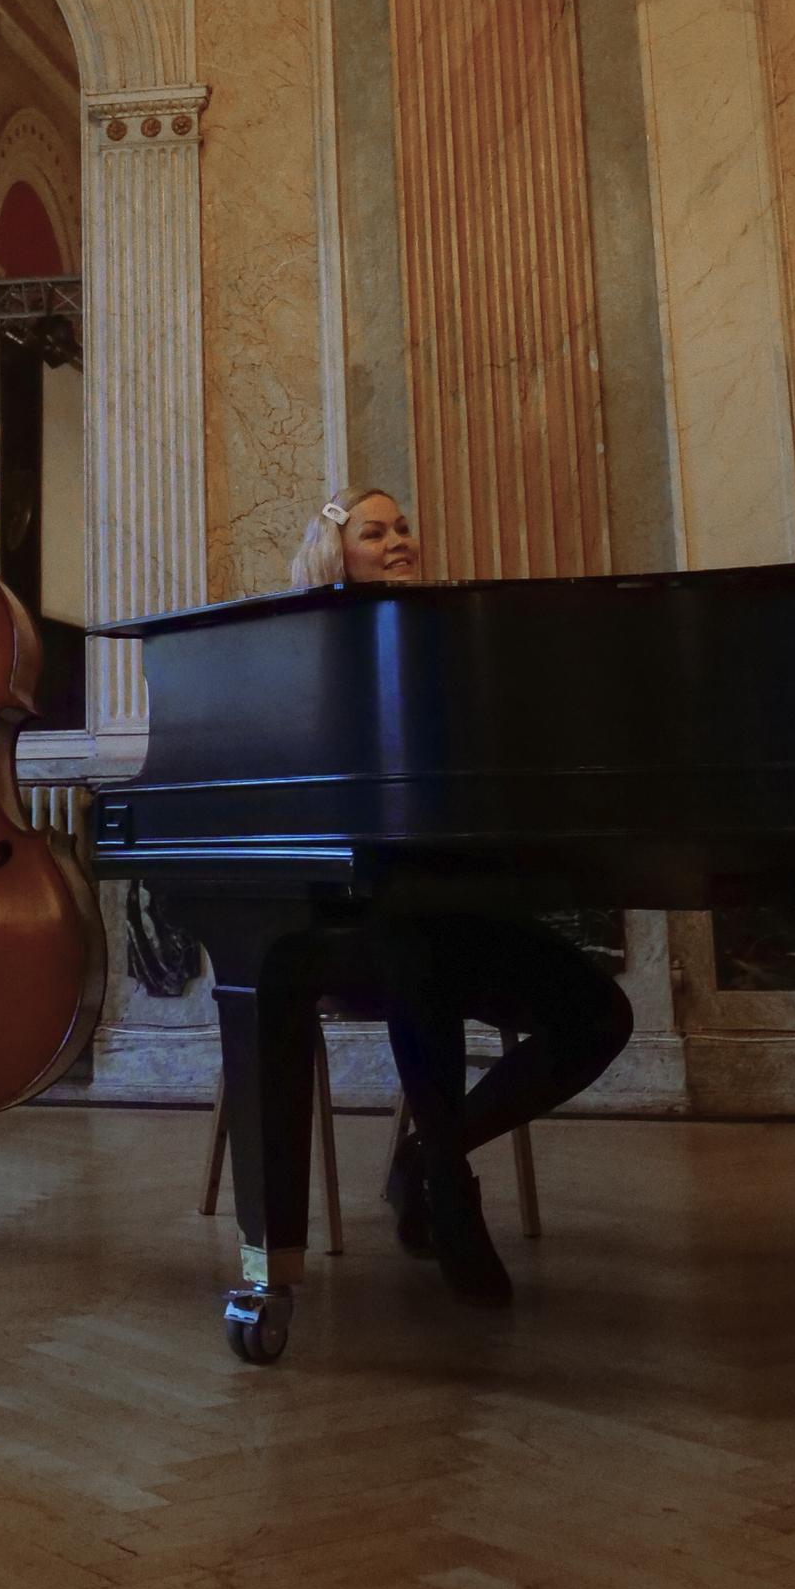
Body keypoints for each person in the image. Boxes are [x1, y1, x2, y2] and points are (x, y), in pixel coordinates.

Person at [289, 482, 634, 1309]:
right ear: (336, 554)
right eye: (375, 532)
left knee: (599, 1015)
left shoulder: (449, 644)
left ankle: (424, 1158)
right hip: (350, 919)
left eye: (403, 527)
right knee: (420, 949)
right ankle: (448, 1184)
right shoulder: (308, 649)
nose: (398, 541)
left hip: (451, 904)